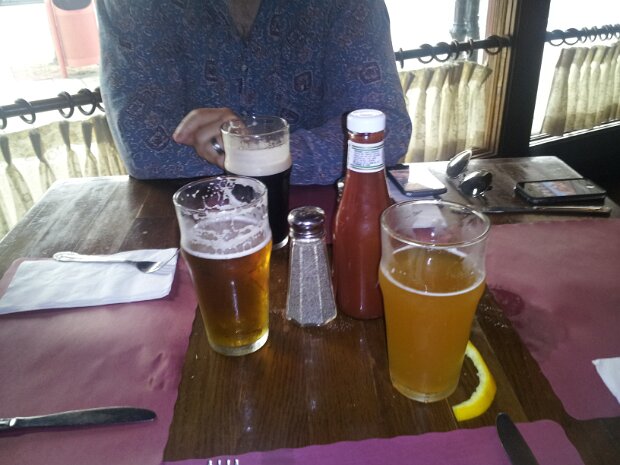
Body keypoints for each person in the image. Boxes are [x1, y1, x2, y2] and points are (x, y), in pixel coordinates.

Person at [96, 0, 411, 185]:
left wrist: (246, 151)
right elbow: (145, 149)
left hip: (320, 221)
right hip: (189, 222)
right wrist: (273, 155)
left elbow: (385, 132)